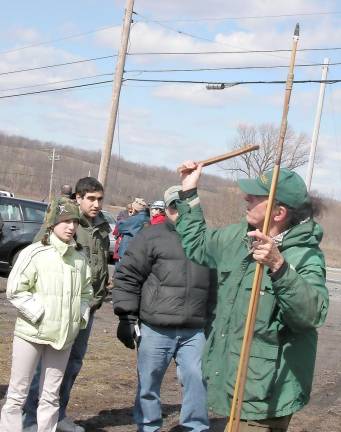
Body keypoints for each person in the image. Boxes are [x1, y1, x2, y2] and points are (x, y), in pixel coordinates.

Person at [174, 163, 329, 432]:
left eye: (255, 197)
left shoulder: (305, 256)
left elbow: (312, 314)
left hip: (266, 393)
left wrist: (279, 267)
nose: (246, 198)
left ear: (279, 213)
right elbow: (198, 245)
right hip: (233, 380)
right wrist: (189, 192)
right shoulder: (239, 236)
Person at [113, 185, 216, 432]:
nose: (177, 212)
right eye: (172, 206)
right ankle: (148, 427)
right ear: (166, 209)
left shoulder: (208, 239)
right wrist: (127, 317)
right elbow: (128, 276)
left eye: (183, 206)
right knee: (148, 383)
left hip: (194, 330)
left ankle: (194, 427)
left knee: (197, 379)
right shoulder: (150, 236)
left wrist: (214, 322)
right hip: (155, 328)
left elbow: (216, 286)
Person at [23, 177, 110, 432]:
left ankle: (58, 415)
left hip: (87, 308)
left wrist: (101, 291)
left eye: (100, 199)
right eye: (91, 199)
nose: (96, 204)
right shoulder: (64, 222)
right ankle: (30, 418)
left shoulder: (102, 226)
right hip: (60, 307)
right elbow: (39, 254)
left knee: (72, 364)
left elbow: (100, 263)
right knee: (47, 365)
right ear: (78, 198)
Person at [0, 198, 92, 432]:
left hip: (63, 337)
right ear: (52, 223)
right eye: (65, 221)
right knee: (17, 394)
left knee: (51, 396)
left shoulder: (79, 259)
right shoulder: (34, 253)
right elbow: (15, 290)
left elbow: (86, 292)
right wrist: (40, 314)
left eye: (75, 222)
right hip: (31, 333)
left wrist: (77, 317)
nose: (71, 227)